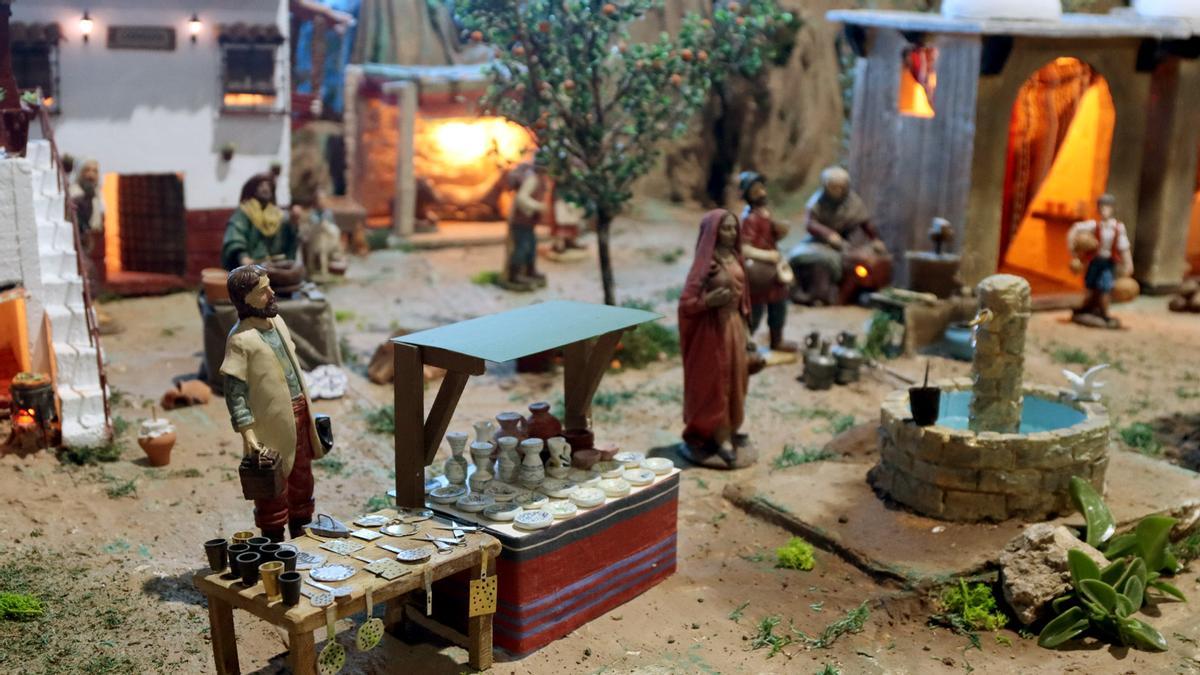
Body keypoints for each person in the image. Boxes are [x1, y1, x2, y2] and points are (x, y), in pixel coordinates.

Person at [221, 265, 324, 541]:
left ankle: (302, 534)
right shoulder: (240, 340)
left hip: (300, 414)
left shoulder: (277, 323)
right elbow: (235, 392)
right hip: (269, 425)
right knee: (272, 485)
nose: (272, 293)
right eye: (263, 290)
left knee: (302, 478)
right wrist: (248, 433)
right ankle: (273, 542)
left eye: (269, 286)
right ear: (246, 299)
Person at [678, 210, 756, 469]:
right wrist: (708, 302)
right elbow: (686, 304)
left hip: (733, 327)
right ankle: (717, 436)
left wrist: (747, 333)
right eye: (726, 229)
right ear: (712, 232)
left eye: (734, 228)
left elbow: (743, 300)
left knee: (736, 381)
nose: (732, 233)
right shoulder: (705, 265)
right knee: (715, 384)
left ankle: (731, 427)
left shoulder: (735, 257)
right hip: (711, 334)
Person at [788, 166, 888, 305]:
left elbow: (865, 223)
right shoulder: (818, 201)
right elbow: (811, 223)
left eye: (840, 187)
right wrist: (828, 235)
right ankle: (814, 294)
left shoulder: (853, 203)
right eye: (832, 187)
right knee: (814, 260)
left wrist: (875, 239)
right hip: (818, 242)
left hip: (843, 244)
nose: (836, 191)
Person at [738, 171, 797, 353]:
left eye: (762, 188)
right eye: (755, 190)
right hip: (759, 272)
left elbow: (769, 237)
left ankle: (777, 340)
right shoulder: (749, 218)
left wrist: (779, 231)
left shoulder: (765, 214)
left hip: (773, 272)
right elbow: (744, 248)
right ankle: (742, 342)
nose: (761, 193)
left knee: (779, 304)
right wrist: (767, 256)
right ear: (748, 194)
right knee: (755, 309)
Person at [1068, 193, 1131, 329]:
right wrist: (1072, 249)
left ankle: (1104, 313)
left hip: (1108, 262)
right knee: (1090, 286)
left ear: (1113, 209)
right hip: (1094, 261)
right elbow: (1075, 228)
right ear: (1098, 209)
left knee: (1105, 288)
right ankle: (1085, 308)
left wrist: (1128, 264)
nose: (1104, 210)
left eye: (1107, 207)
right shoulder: (1094, 225)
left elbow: (1124, 247)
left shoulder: (1118, 227)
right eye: (1101, 207)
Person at [221, 174, 298, 270]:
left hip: (275, 264)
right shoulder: (244, 212)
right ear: (253, 190)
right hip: (252, 264)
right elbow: (235, 235)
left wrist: (293, 223)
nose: (265, 189)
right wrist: (243, 257)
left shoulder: (278, 214)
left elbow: (290, 236)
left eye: (268, 186)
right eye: (261, 186)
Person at [501, 162, 547, 291]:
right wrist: (538, 206)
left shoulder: (538, 178)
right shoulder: (532, 179)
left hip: (529, 222)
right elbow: (522, 198)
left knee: (531, 246)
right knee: (521, 248)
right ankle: (514, 275)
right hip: (521, 220)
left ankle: (529, 271)